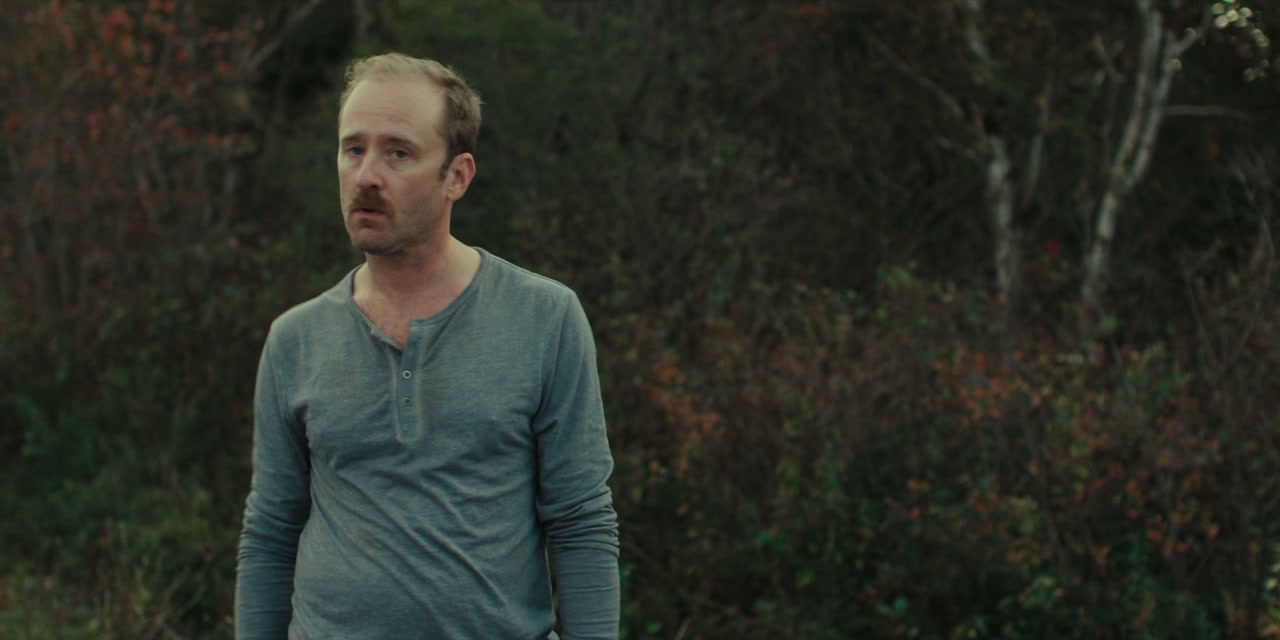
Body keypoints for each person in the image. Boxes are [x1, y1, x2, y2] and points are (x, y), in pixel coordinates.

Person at [234, 52, 619, 639]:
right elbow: (271, 531)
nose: (367, 175)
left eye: (398, 153)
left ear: (457, 176)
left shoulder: (545, 318)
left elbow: (580, 520)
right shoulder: (296, 340)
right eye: (353, 149)